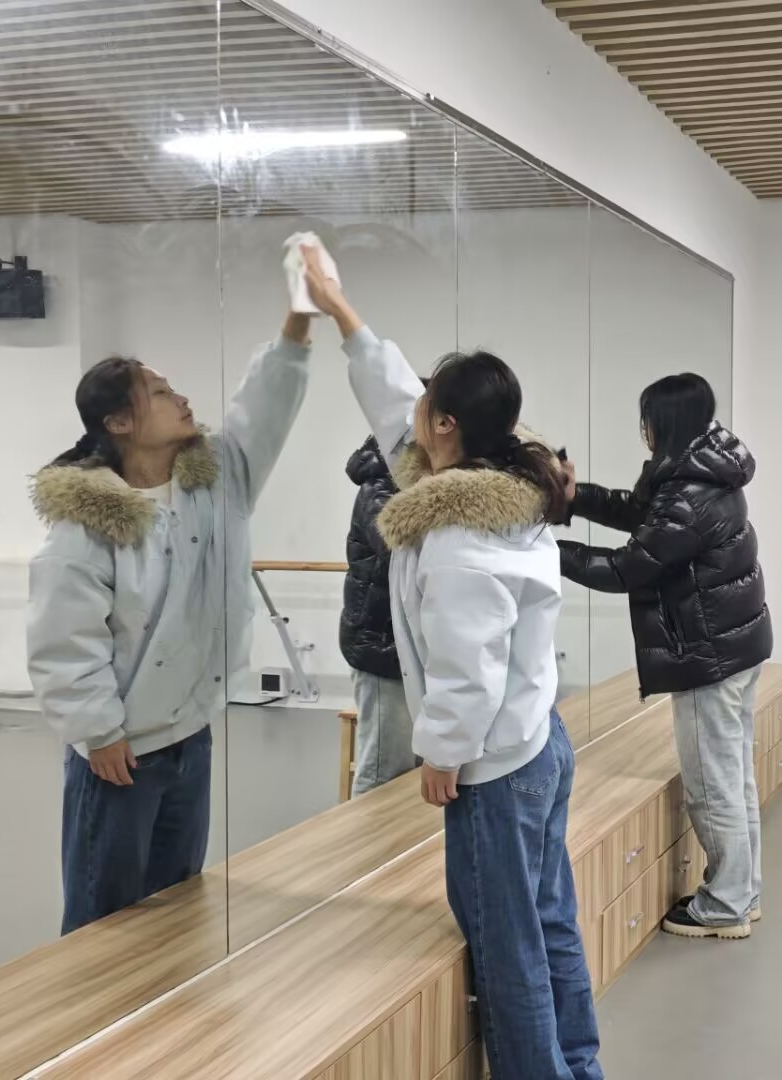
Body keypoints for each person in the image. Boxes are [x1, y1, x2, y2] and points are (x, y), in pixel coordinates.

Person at [303, 251, 603, 1080]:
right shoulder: (502, 484)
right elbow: (394, 396)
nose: (411, 413)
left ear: (445, 426)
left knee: (508, 944)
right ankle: (577, 1066)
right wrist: (338, 308)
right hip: (535, 743)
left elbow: (469, 669)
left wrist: (440, 754)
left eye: (427, 405)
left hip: (495, 765)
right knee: (549, 921)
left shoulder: (459, 537)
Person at [26, 309, 311, 935]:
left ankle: (169, 1001)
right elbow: (65, 641)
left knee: (176, 910)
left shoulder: (212, 486)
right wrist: (98, 732)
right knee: (106, 919)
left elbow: (263, 413)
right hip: (122, 753)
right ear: (119, 422)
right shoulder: (85, 527)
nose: (180, 398)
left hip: (189, 735)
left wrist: (297, 326)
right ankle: (99, 1004)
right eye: (158, 393)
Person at [558, 373, 772, 940]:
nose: (643, 431)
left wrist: (548, 553)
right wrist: (575, 497)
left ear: (663, 423)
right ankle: (743, 891)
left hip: (709, 655)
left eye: (646, 420)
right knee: (734, 777)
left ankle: (725, 905)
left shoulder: (688, 493)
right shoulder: (701, 470)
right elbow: (640, 512)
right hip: (736, 644)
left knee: (713, 784)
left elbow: (629, 567)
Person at [340, 435, 421, 797]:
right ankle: (366, 839)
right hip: (381, 650)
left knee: (412, 775)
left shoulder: (408, 482)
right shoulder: (380, 487)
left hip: (405, 651)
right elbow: (400, 552)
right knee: (382, 776)